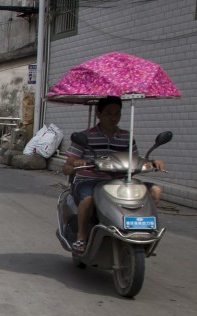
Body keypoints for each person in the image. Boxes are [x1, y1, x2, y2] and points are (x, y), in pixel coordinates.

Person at [61, 95, 163, 253]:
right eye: (108, 113)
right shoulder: (85, 136)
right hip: (89, 181)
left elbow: (135, 159)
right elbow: (67, 165)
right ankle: (81, 237)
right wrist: (77, 163)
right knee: (88, 199)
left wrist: (152, 162)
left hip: (119, 182)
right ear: (99, 113)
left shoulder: (127, 137)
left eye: (117, 113)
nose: (113, 118)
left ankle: (146, 231)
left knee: (155, 190)